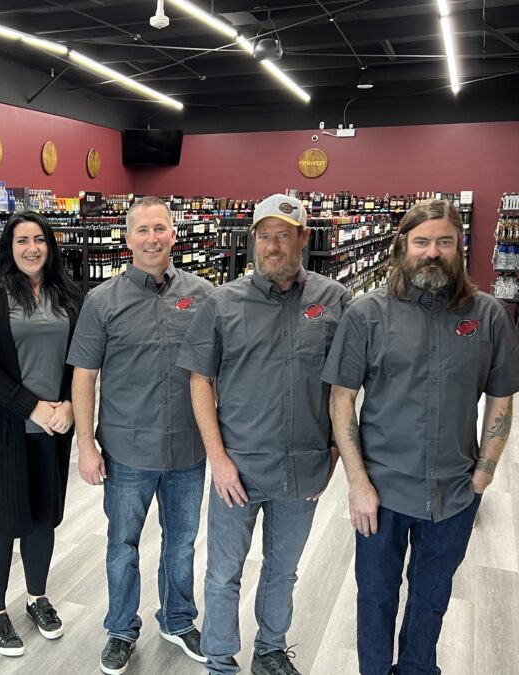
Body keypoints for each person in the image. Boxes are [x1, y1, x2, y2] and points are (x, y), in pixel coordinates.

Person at [321, 199, 519, 675]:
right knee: (375, 599)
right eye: (421, 242)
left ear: (460, 247)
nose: (432, 252)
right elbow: (341, 400)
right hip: (382, 492)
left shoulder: (488, 316)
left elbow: (502, 398)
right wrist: (357, 484)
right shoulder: (367, 315)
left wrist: (483, 475)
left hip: (455, 493)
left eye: (444, 242)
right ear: (402, 246)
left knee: (431, 600)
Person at [177, 194, 350, 675]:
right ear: (252, 240)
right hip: (238, 467)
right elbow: (199, 380)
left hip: (304, 468)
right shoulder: (222, 303)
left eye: (284, 234)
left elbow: (346, 384)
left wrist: (336, 450)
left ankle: (270, 651)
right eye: (264, 235)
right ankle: (219, 660)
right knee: (223, 573)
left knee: (283, 569)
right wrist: (217, 458)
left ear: (304, 238)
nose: (273, 246)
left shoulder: (334, 300)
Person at [68, 196, 213, 675]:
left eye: (160, 228)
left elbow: (219, 369)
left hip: (189, 448)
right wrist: (85, 445)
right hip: (127, 449)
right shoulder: (101, 301)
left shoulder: (204, 294)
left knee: (183, 541)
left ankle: (177, 619)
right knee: (122, 543)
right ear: (127, 239)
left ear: (174, 234)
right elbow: (84, 376)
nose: (152, 238)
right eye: (142, 230)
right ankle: (121, 629)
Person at [0, 211, 83, 658]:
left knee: (42, 519)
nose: (31, 248)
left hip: (54, 427)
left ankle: (36, 597)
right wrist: (32, 406)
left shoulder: (68, 296)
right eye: (21, 241)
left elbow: (79, 358)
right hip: (4, 428)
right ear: (8, 249)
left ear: (50, 246)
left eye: (39, 240)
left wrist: (68, 402)